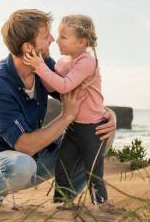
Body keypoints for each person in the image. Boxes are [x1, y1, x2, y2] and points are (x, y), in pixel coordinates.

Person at [0, 9, 116, 203]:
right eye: (45, 36)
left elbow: (78, 96)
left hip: (37, 157)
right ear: (27, 48)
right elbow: (24, 146)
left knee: (99, 132)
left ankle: (65, 202)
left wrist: (108, 115)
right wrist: (66, 117)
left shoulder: (45, 65)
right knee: (22, 165)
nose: (52, 40)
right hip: (0, 163)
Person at [23, 14, 108, 205]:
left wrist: (40, 66)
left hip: (92, 130)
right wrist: (42, 67)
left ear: (81, 42)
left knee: (93, 173)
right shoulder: (62, 63)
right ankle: (60, 207)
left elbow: (64, 86)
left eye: (63, 37)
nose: (57, 41)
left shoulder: (87, 62)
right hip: (73, 128)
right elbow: (52, 87)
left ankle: (101, 208)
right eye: (58, 36)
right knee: (63, 168)